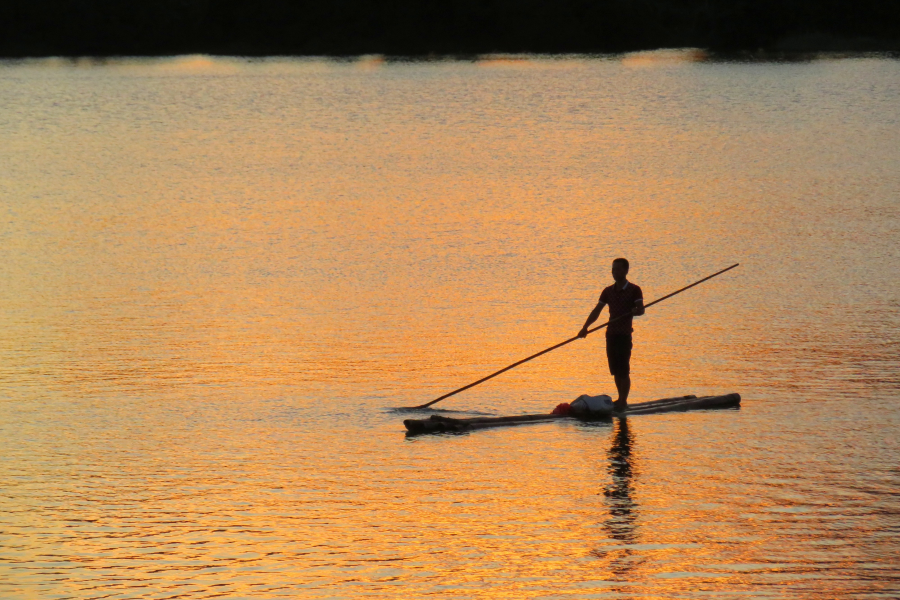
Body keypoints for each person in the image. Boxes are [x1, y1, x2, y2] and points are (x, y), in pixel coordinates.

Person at [578, 258, 644, 411]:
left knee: (623, 369)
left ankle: (623, 400)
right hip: (611, 334)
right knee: (615, 369)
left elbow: (641, 309)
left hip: (624, 335)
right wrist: (585, 327)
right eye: (613, 270)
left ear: (626, 271)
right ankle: (620, 398)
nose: (615, 272)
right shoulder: (608, 291)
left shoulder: (634, 290)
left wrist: (635, 311)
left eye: (618, 269)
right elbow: (596, 311)